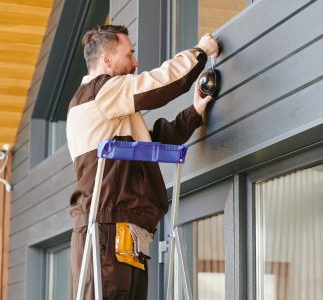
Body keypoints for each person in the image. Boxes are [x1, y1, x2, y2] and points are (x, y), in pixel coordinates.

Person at [66, 24, 218, 300]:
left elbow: (153, 141)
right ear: (107, 60)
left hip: (119, 229)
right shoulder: (101, 91)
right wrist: (201, 53)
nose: (135, 63)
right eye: (130, 54)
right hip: (108, 229)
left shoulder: (104, 107)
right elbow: (159, 83)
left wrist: (194, 111)